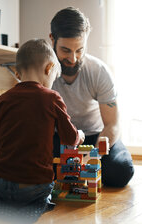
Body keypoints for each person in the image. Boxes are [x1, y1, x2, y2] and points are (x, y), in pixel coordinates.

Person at [0, 39, 85, 211]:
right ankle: (38, 203)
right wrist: (81, 135)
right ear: (49, 69)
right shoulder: (51, 98)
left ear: (18, 73)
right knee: (48, 187)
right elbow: (70, 139)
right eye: (53, 78)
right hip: (32, 187)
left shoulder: (2, 100)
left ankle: (4, 201)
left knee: (5, 189)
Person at [50, 7, 134, 187]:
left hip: (95, 136)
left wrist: (93, 156)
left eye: (79, 50)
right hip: (61, 138)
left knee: (120, 171)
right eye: (65, 50)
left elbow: (112, 124)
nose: (73, 58)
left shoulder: (99, 71)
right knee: (40, 169)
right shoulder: (44, 72)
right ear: (52, 40)